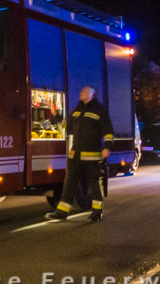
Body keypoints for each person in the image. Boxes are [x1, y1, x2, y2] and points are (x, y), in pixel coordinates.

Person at [46, 86, 114, 222]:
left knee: (94, 185)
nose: (80, 93)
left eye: (84, 91)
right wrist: (57, 116)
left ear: (91, 95)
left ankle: (96, 212)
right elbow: (68, 125)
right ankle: (62, 212)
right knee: (69, 185)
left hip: (92, 157)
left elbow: (108, 131)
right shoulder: (77, 110)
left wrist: (107, 148)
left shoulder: (99, 110)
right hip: (75, 157)